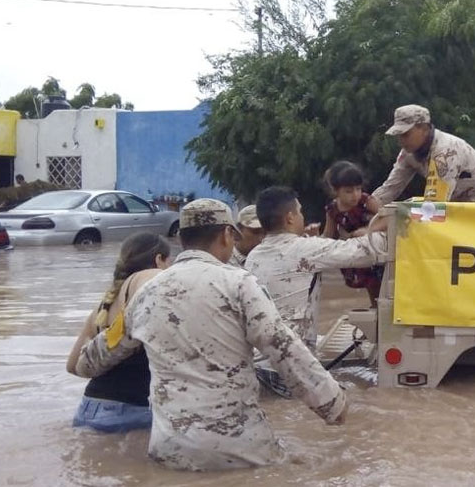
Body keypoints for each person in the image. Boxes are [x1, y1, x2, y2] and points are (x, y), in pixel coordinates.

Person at [75, 199, 347, 471]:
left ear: (181, 239)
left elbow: (93, 359)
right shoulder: (240, 284)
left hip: (170, 450)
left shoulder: (147, 293)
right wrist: (332, 404)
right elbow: (285, 351)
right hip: (241, 449)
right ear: (227, 235)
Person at [245, 186, 384, 350]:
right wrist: (385, 224)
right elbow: (367, 251)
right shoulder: (305, 249)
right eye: (300, 212)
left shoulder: (253, 256)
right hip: (289, 358)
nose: (302, 217)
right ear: (290, 218)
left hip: (259, 356)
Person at [67, 232, 172, 433]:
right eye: (169, 262)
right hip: (130, 411)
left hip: (88, 408)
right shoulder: (149, 277)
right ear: (159, 259)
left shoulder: (104, 305)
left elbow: (72, 366)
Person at [372, 104, 475, 204]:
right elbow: (391, 187)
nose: (401, 140)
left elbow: (435, 204)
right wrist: (365, 204)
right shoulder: (408, 153)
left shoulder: (445, 151)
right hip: (454, 197)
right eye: (398, 135)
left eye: (405, 134)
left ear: (425, 129)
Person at [322, 161, 385, 305]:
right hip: (356, 254)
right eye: (349, 191)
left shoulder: (366, 201)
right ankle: (376, 313)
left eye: (358, 189)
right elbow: (328, 235)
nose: (355, 195)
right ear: (336, 191)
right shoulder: (332, 210)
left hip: (376, 250)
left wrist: (369, 230)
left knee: (382, 287)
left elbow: (389, 217)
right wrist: (314, 238)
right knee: (372, 290)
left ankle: (382, 316)